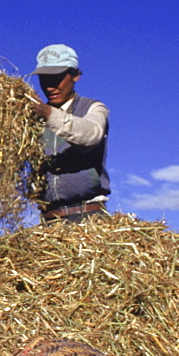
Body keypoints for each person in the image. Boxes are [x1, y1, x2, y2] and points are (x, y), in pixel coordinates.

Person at [29, 44, 110, 222]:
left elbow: (92, 134)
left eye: (57, 78)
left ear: (75, 76)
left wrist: (49, 114)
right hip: (50, 220)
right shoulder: (33, 121)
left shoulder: (93, 108)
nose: (50, 86)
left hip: (88, 216)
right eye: (44, 79)